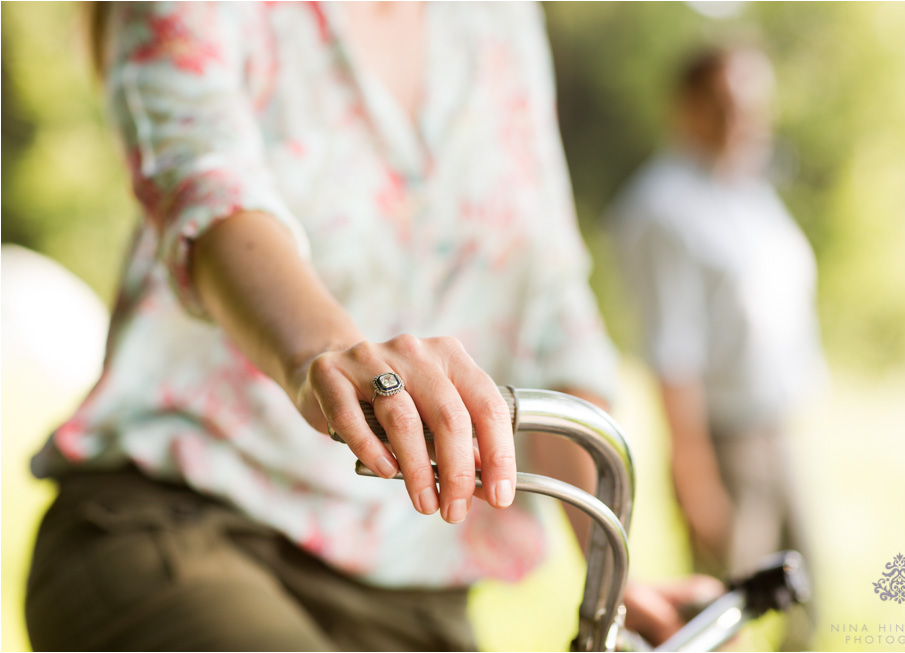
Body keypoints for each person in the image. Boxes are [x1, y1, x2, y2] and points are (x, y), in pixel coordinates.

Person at [25, 3, 717, 650]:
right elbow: (210, 195)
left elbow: (549, 306)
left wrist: (616, 576)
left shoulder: (498, 19)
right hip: (183, 522)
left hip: (415, 593)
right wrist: (327, 354)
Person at [607, 46, 827, 650]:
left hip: (777, 433)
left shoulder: (750, 191)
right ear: (687, 108)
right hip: (723, 443)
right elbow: (671, 352)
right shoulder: (662, 208)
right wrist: (696, 475)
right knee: (723, 624)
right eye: (726, 104)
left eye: (753, 105)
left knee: (806, 610)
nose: (743, 119)